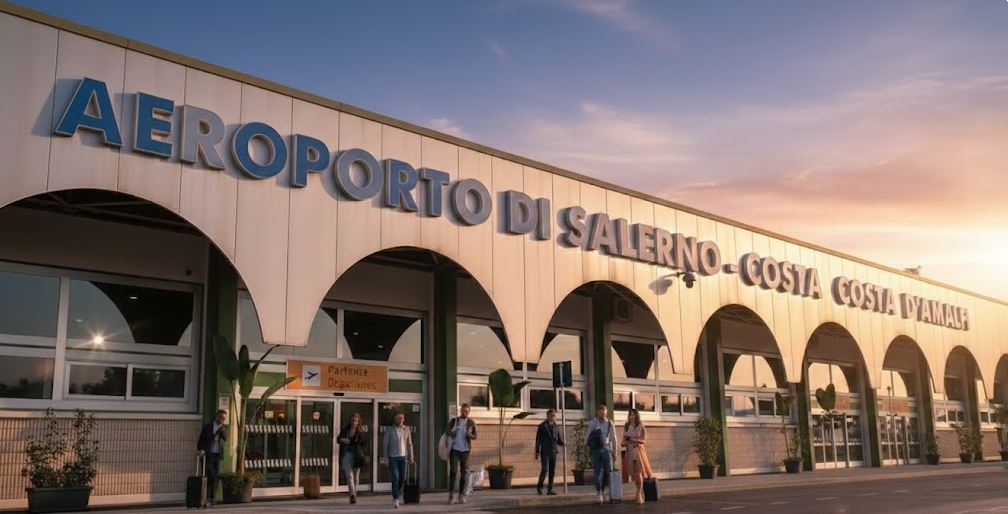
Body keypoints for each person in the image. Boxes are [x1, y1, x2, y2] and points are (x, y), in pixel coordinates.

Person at [445, 403, 478, 504]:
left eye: (467, 411)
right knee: (453, 472)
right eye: (463, 411)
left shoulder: (471, 423)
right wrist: (452, 433)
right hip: (454, 449)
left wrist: (470, 435)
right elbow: (447, 432)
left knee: (464, 473)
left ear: (469, 412)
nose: (465, 413)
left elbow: (475, 436)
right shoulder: (454, 421)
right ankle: (451, 495)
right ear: (460, 411)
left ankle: (461, 495)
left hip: (465, 450)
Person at [585, 404, 617, 505]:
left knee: (609, 471)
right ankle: (599, 493)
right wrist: (588, 447)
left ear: (606, 413)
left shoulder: (610, 423)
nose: (601, 415)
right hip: (596, 450)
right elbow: (587, 437)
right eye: (600, 413)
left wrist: (615, 451)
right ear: (597, 413)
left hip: (607, 449)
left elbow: (614, 438)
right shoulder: (593, 423)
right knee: (597, 472)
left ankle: (604, 489)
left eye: (603, 413)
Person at [383, 411, 414, 509]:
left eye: (401, 418)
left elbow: (409, 444)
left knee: (402, 478)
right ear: (394, 419)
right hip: (393, 457)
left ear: (403, 419)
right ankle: (395, 498)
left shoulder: (406, 429)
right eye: (398, 418)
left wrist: (411, 457)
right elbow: (385, 445)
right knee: (395, 477)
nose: (400, 420)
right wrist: (386, 458)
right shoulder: (389, 430)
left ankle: (397, 491)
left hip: (403, 456)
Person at [196, 409, 228, 506]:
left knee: (215, 477)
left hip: (217, 455)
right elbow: (201, 441)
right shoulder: (207, 427)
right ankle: (205, 497)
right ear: (217, 416)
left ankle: (211, 497)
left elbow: (225, 438)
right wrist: (201, 449)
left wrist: (222, 431)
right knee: (210, 475)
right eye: (221, 417)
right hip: (208, 455)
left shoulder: (223, 428)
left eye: (224, 418)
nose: (222, 420)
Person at [622, 409, 653, 504]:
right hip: (629, 451)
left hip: (638, 450)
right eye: (630, 415)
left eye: (633, 415)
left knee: (639, 472)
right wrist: (624, 443)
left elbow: (643, 440)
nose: (632, 416)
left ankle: (638, 494)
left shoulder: (641, 426)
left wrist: (633, 439)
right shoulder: (627, 426)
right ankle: (639, 491)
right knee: (635, 474)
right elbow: (623, 441)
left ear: (637, 416)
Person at [337, 412, 368, 505]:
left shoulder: (360, 432)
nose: (354, 422)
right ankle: (352, 495)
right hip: (347, 454)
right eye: (353, 420)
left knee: (356, 477)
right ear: (350, 421)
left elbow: (363, 444)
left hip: (357, 456)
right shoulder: (345, 430)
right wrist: (343, 440)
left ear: (358, 422)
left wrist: (352, 442)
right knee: (349, 475)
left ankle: (355, 493)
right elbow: (338, 439)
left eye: (356, 421)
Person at [534, 408, 565, 495]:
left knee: (552, 470)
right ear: (547, 416)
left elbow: (558, 440)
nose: (553, 417)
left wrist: (563, 443)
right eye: (551, 415)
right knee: (545, 469)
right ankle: (539, 487)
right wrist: (537, 451)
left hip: (553, 451)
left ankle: (550, 489)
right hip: (545, 451)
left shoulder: (556, 426)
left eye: (554, 416)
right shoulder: (542, 426)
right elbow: (538, 440)